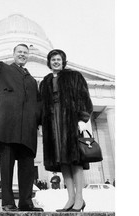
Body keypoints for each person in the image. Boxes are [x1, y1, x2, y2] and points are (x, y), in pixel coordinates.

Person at [0, 16, 43, 212]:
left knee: (27, 168)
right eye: (19, 52)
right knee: (6, 166)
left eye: (25, 53)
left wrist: (38, 121)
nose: (22, 54)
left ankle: (25, 202)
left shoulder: (32, 80)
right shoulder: (3, 69)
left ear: (28, 56)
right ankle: (7, 202)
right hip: (8, 127)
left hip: (27, 130)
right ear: (13, 54)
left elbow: (38, 104)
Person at [39, 49, 93, 212]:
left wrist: (83, 119)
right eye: (53, 60)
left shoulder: (74, 76)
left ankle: (79, 198)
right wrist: (42, 123)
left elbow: (84, 97)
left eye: (58, 59)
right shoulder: (45, 81)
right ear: (49, 63)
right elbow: (42, 105)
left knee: (75, 160)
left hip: (70, 122)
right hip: (53, 124)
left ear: (63, 61)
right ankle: (70, 198)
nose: (56, 62)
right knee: (63, 162)